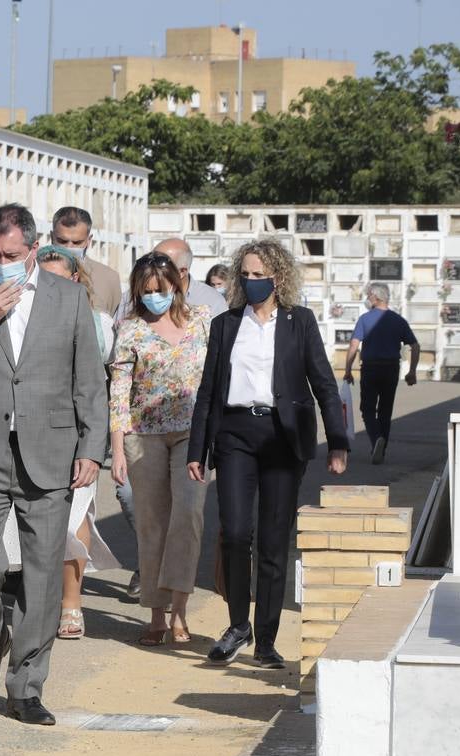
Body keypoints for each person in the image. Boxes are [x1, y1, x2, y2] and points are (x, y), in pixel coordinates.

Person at [0, 204, 107, 727]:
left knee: (41, 574)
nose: (2, 263)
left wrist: (91, 448)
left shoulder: (70, 298)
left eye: (10, 254)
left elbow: (89, 381)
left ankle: (27, 684)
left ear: (33, 249)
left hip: (49, 452)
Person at [189, 239, 349, 669]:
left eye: (260, 274)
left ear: (278, 278)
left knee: (275, 541)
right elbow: (208, 391)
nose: (251, 281)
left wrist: (338, 441)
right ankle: (238, 624)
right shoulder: (225, 325)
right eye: (246, 274)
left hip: (283, 437)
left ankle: (267, 640)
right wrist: (198, 450)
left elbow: (324, 383)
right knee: (236, 533)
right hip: (235, 434)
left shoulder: (300, 323)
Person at [109, 252, 210, 646]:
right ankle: (155, 613)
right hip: (143, 435)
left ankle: (180, 610)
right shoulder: (131, 330)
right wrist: (117, 448)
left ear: (176, 286)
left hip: (193, 435)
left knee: (188, 515)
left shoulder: (202, 321)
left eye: (161, 290)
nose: (154, 297)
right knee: (152, 523)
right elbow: (118, 394)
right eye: (146, 291)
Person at [33, 247, 120, 640]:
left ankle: (71, 602)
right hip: (31, 431)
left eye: (57, 278)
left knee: (75, 515)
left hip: (77, 431)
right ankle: (38, 601)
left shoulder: (98, 321)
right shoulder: (19, 315)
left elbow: (100, 382)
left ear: (74, 281)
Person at [344, 281, 419, 465]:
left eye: (369, 295)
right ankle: (380, 452)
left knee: (367, 409)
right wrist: (412, 372)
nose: (368, 298)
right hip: (391, 368)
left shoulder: (365, 319)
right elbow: (415, 346)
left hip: (371, 368)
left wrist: (348, 370)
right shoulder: (398, 320)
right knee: (385, 411)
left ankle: (376, 438)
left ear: (376, 298)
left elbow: (354, 345)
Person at [49, 206, 123, 317]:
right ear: (52, 237)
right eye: (62, 241)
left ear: (89, 240)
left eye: (77, 242)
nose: (69, 247)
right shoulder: (37, 273)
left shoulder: (108, 278)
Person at [155, 238, 227, 319]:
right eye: (150, 261)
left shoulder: (213, 301)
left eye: (160, 264)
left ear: (182, 271)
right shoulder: (147, 296)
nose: (151, 269)